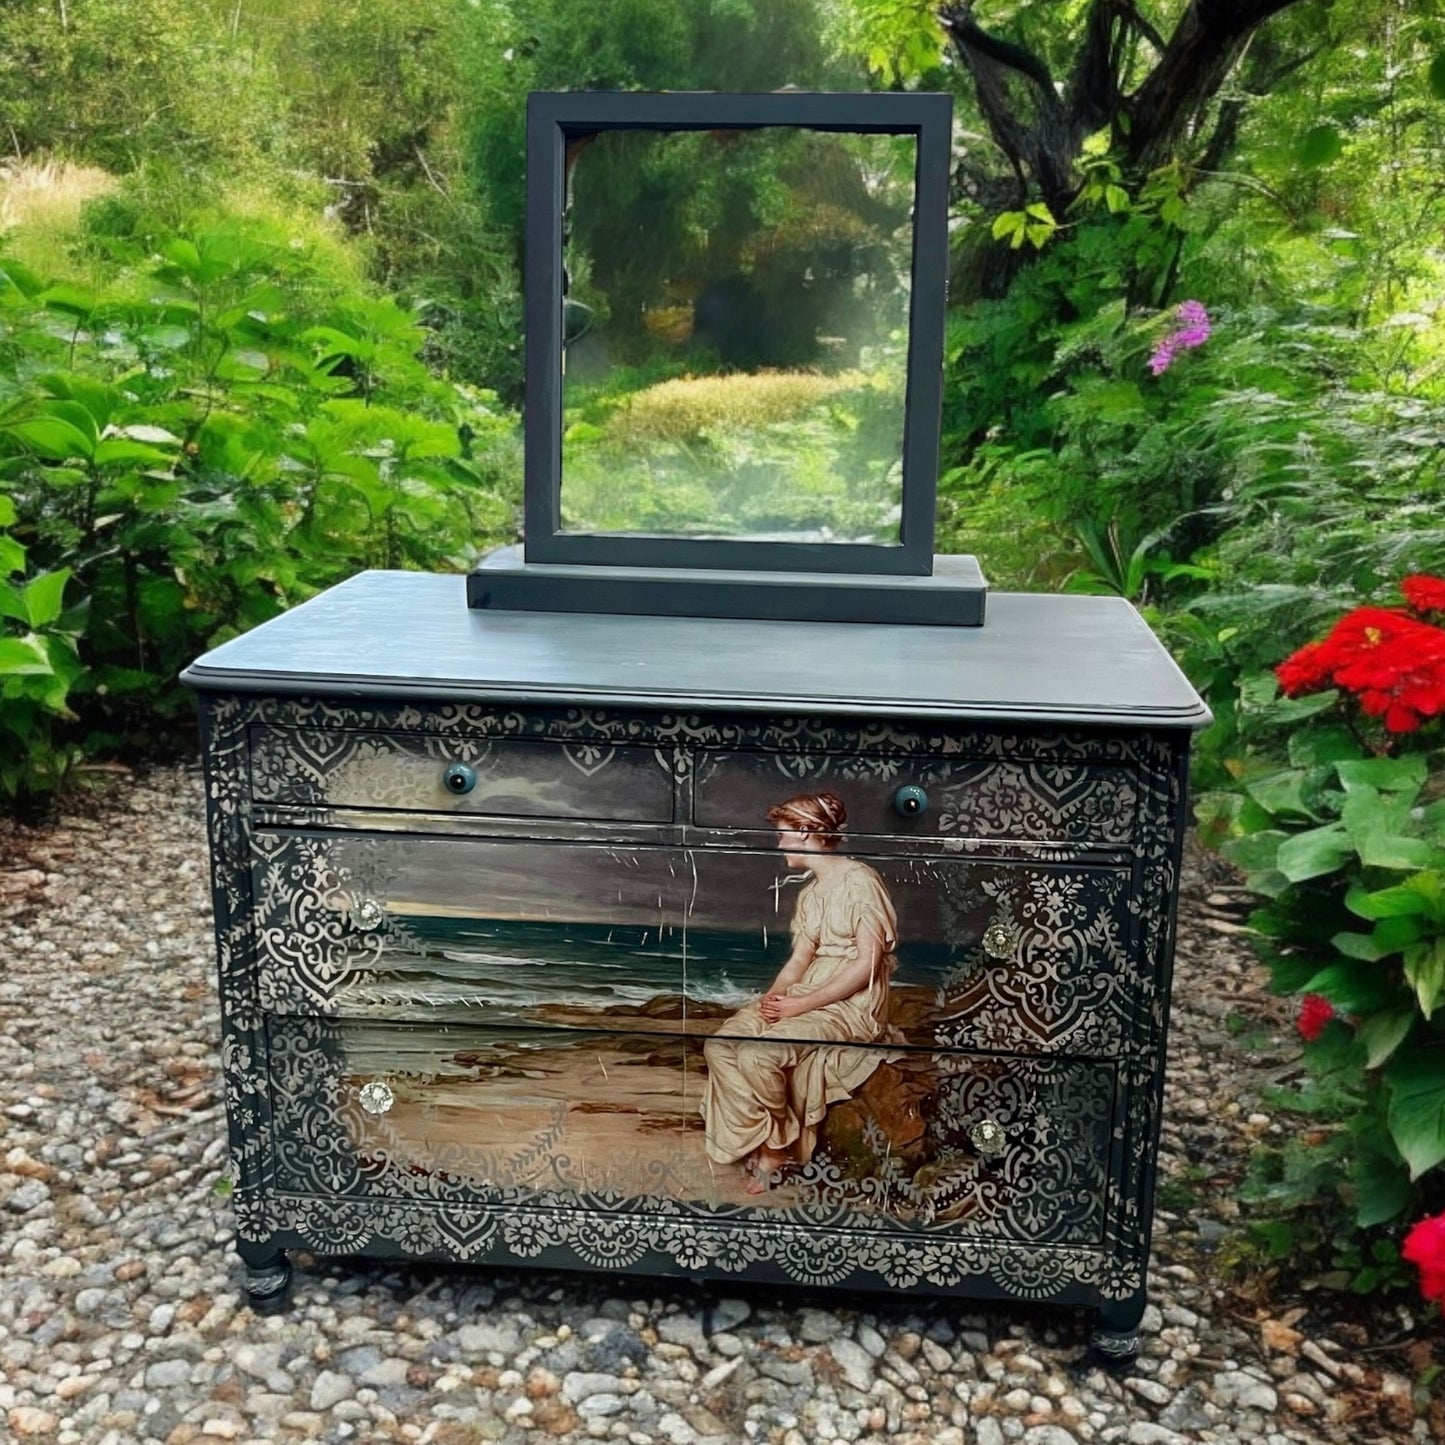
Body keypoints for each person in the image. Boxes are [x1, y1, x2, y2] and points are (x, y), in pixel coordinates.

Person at [701, 791, 900, 1194]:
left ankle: (777, 1147)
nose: (778, 844)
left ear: (808, 832)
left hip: (850, 1004)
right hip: (808, 991)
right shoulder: (810, 894)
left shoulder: (861, 882)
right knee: (721, 1045)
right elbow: (798, 962)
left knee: (760, 1055)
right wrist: (770, 1001)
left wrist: (800, 1005)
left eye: (783, 834)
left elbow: (866, 966)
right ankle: (769, 1133)